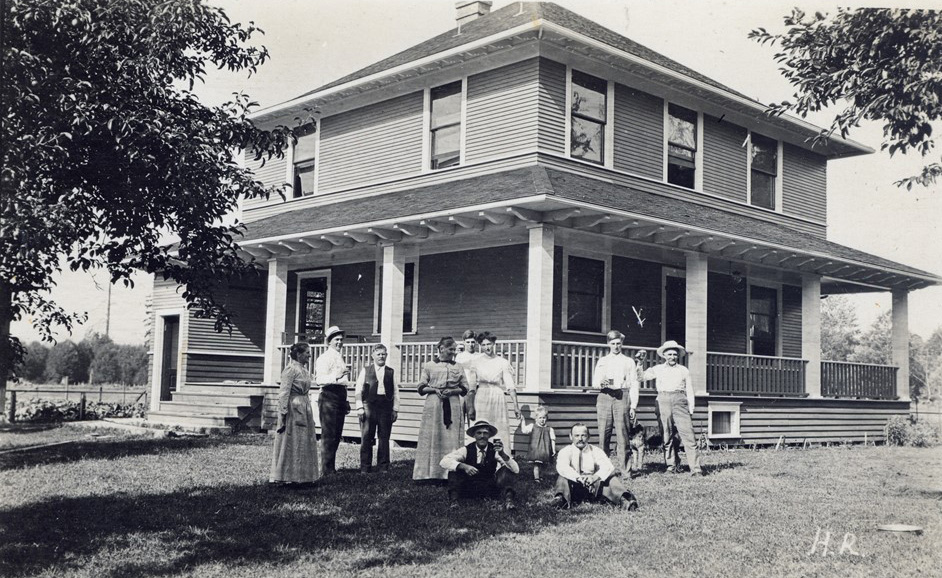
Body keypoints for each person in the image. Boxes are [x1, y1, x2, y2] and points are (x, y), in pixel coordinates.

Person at [636, 340, 703, 476]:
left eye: (674, 354)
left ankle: (696, 469)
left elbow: (689, 390)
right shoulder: (658, 369)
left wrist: (691, 408)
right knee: (667, 434)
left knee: (688, 435)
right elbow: (640, 378)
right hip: (663, 400)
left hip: (680, 400)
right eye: (669, 354)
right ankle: (671, 466)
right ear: (664, 355)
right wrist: (639, 363)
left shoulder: (683, 370)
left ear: (677, 355)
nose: (672, 357)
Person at [413, 336, 470, 482]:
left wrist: (452, 391)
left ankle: (449, 473)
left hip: (453, 403)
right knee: (433, 436)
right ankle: (429, 474)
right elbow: (420, 387)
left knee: (450, 437)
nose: (453, 352)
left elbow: (465, 387)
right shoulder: (429, 365)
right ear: (441, 349)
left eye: (454, 349)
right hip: (434, 404)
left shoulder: (458, 366)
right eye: (451, 349)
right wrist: (433, 390)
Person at [550, 423, 639, 510]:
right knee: (562, 477)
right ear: (570, 436)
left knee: (611, 478)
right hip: (574, 487)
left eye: (583, 435)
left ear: (588, 436)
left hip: (592, 488)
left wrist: (594, 477)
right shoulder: (565, 451)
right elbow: (563, 467)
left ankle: (624, 500)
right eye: (576, 436)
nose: (580, 439)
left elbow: (607, 466)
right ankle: (561, 500)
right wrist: (578, 478)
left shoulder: (595, 451)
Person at [270, 342, 321, 485]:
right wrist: (283, 413)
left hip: (304, 406)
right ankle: (287, 476)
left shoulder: (304, 370)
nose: (309, 355)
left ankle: (303, 476)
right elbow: (284, 393)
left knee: (303, 440)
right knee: (292, 441)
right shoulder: (290, 370)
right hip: (293, 408)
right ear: (299, 354)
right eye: (307, 353)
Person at [591, 329, 640, 478]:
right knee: (603, 435)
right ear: (608, 344)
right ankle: (604, 471)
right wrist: (606, 383)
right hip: (605, 396)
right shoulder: (603, 361)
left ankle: (626, 471)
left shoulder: (628, 361)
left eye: (618, 343)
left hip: (622, 397)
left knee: (623, 435)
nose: (616, 346)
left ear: (622, 343)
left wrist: (633, 406)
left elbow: (634, 384)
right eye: (613, 343)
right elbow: (595, 383)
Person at [440, 419, 519, 510]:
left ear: (489, 435)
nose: (482, 436)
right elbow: (444, 461)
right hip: (469, 488)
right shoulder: (466, 449)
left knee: (507, 469)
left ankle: (509, 502)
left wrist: (503, 454)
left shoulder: (495, 450)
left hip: (489, 487)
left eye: (485, 433)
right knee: (454, 470)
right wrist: (464, 466)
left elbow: (516, 470)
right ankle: (454, 502)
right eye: (479, 433)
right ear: (474, 435)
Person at [466, 331, 520, 450]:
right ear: (480, 346)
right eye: (484, 345)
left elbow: (510, 385)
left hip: (497, 396)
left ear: (494, 344)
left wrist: (516, 406)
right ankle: (478, 458)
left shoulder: (502, 362)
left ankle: (500, 459)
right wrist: (470, 406)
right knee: (481, 426)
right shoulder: (476, 361)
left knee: (498, 427)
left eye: (489, 344)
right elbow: (472, 386)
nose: (487, 347)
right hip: (482, 396)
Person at [355, 343, 399, 473]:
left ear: (386, 355)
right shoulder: (366, 370)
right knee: (367, 436)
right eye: (378, 354)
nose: (381, 357)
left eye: (383, 354)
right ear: (373, 355)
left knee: (384, 437)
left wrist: (395, 409)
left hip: (385, 406)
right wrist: (359, 407)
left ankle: (383, 466)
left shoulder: (391, 372)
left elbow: (396, 391)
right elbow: (358, 389)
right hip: (369, 405)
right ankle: (365, 467)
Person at [315, 325, 352, 476]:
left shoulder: (339, 357)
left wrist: (346, 399)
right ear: (329, 341)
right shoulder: (324, 358)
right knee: (329, 433)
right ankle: (326, 469)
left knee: (337, 433)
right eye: (336, 339)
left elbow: (343, 381)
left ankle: (331, 467)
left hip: (340, 395)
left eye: (341, 340)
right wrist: (336, 376)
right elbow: (320, 380)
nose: (339, 342)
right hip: (329, 395)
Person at [518, 405, 556, 483]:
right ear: (536, 419)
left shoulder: (549, 429)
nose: (542, 420)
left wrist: (554, 449)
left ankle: (541, 476)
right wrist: (522, 421)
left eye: (544, 418)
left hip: (545, 450)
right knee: (536, 465)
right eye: (540, 418)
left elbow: (553, 440)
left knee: (544, 465)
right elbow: (524, 430)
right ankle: (536, 478)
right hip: (536, 450)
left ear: (547, 418)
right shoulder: (533, 426)